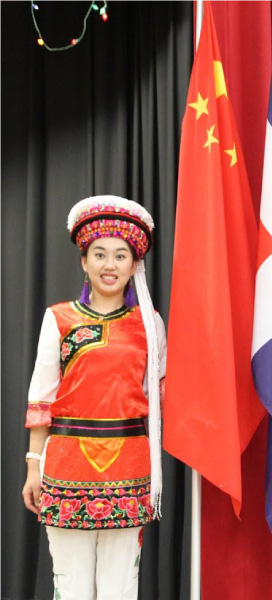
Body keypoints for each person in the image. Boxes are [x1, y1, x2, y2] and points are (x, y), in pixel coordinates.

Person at [22, 195, 167, 600]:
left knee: (121, 587)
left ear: (134, 265)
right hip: (66, 464)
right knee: (70, 586)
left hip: (130, 464)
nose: (110, 264)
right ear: (84, 261)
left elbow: (161, 396)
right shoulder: (59, 318)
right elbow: (41, 400)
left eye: (121, 256)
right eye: (99, 254)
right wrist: (34, 467)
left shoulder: (149, 324)